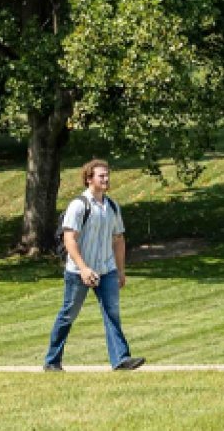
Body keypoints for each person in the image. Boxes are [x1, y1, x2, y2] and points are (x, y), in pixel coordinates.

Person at [44, 159, 145, 372]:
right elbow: (69, 239)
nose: (106, 179)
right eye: (101, 176)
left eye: (107, 175)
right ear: (89, 179)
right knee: (68, 314)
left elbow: (118, 239)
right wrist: (83, 268)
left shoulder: (112, 206)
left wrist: (120, 270)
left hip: (106, 269)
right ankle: (52, 361)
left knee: (112, 313)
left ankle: (121, 359)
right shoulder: (79, 205)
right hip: (79, 271)